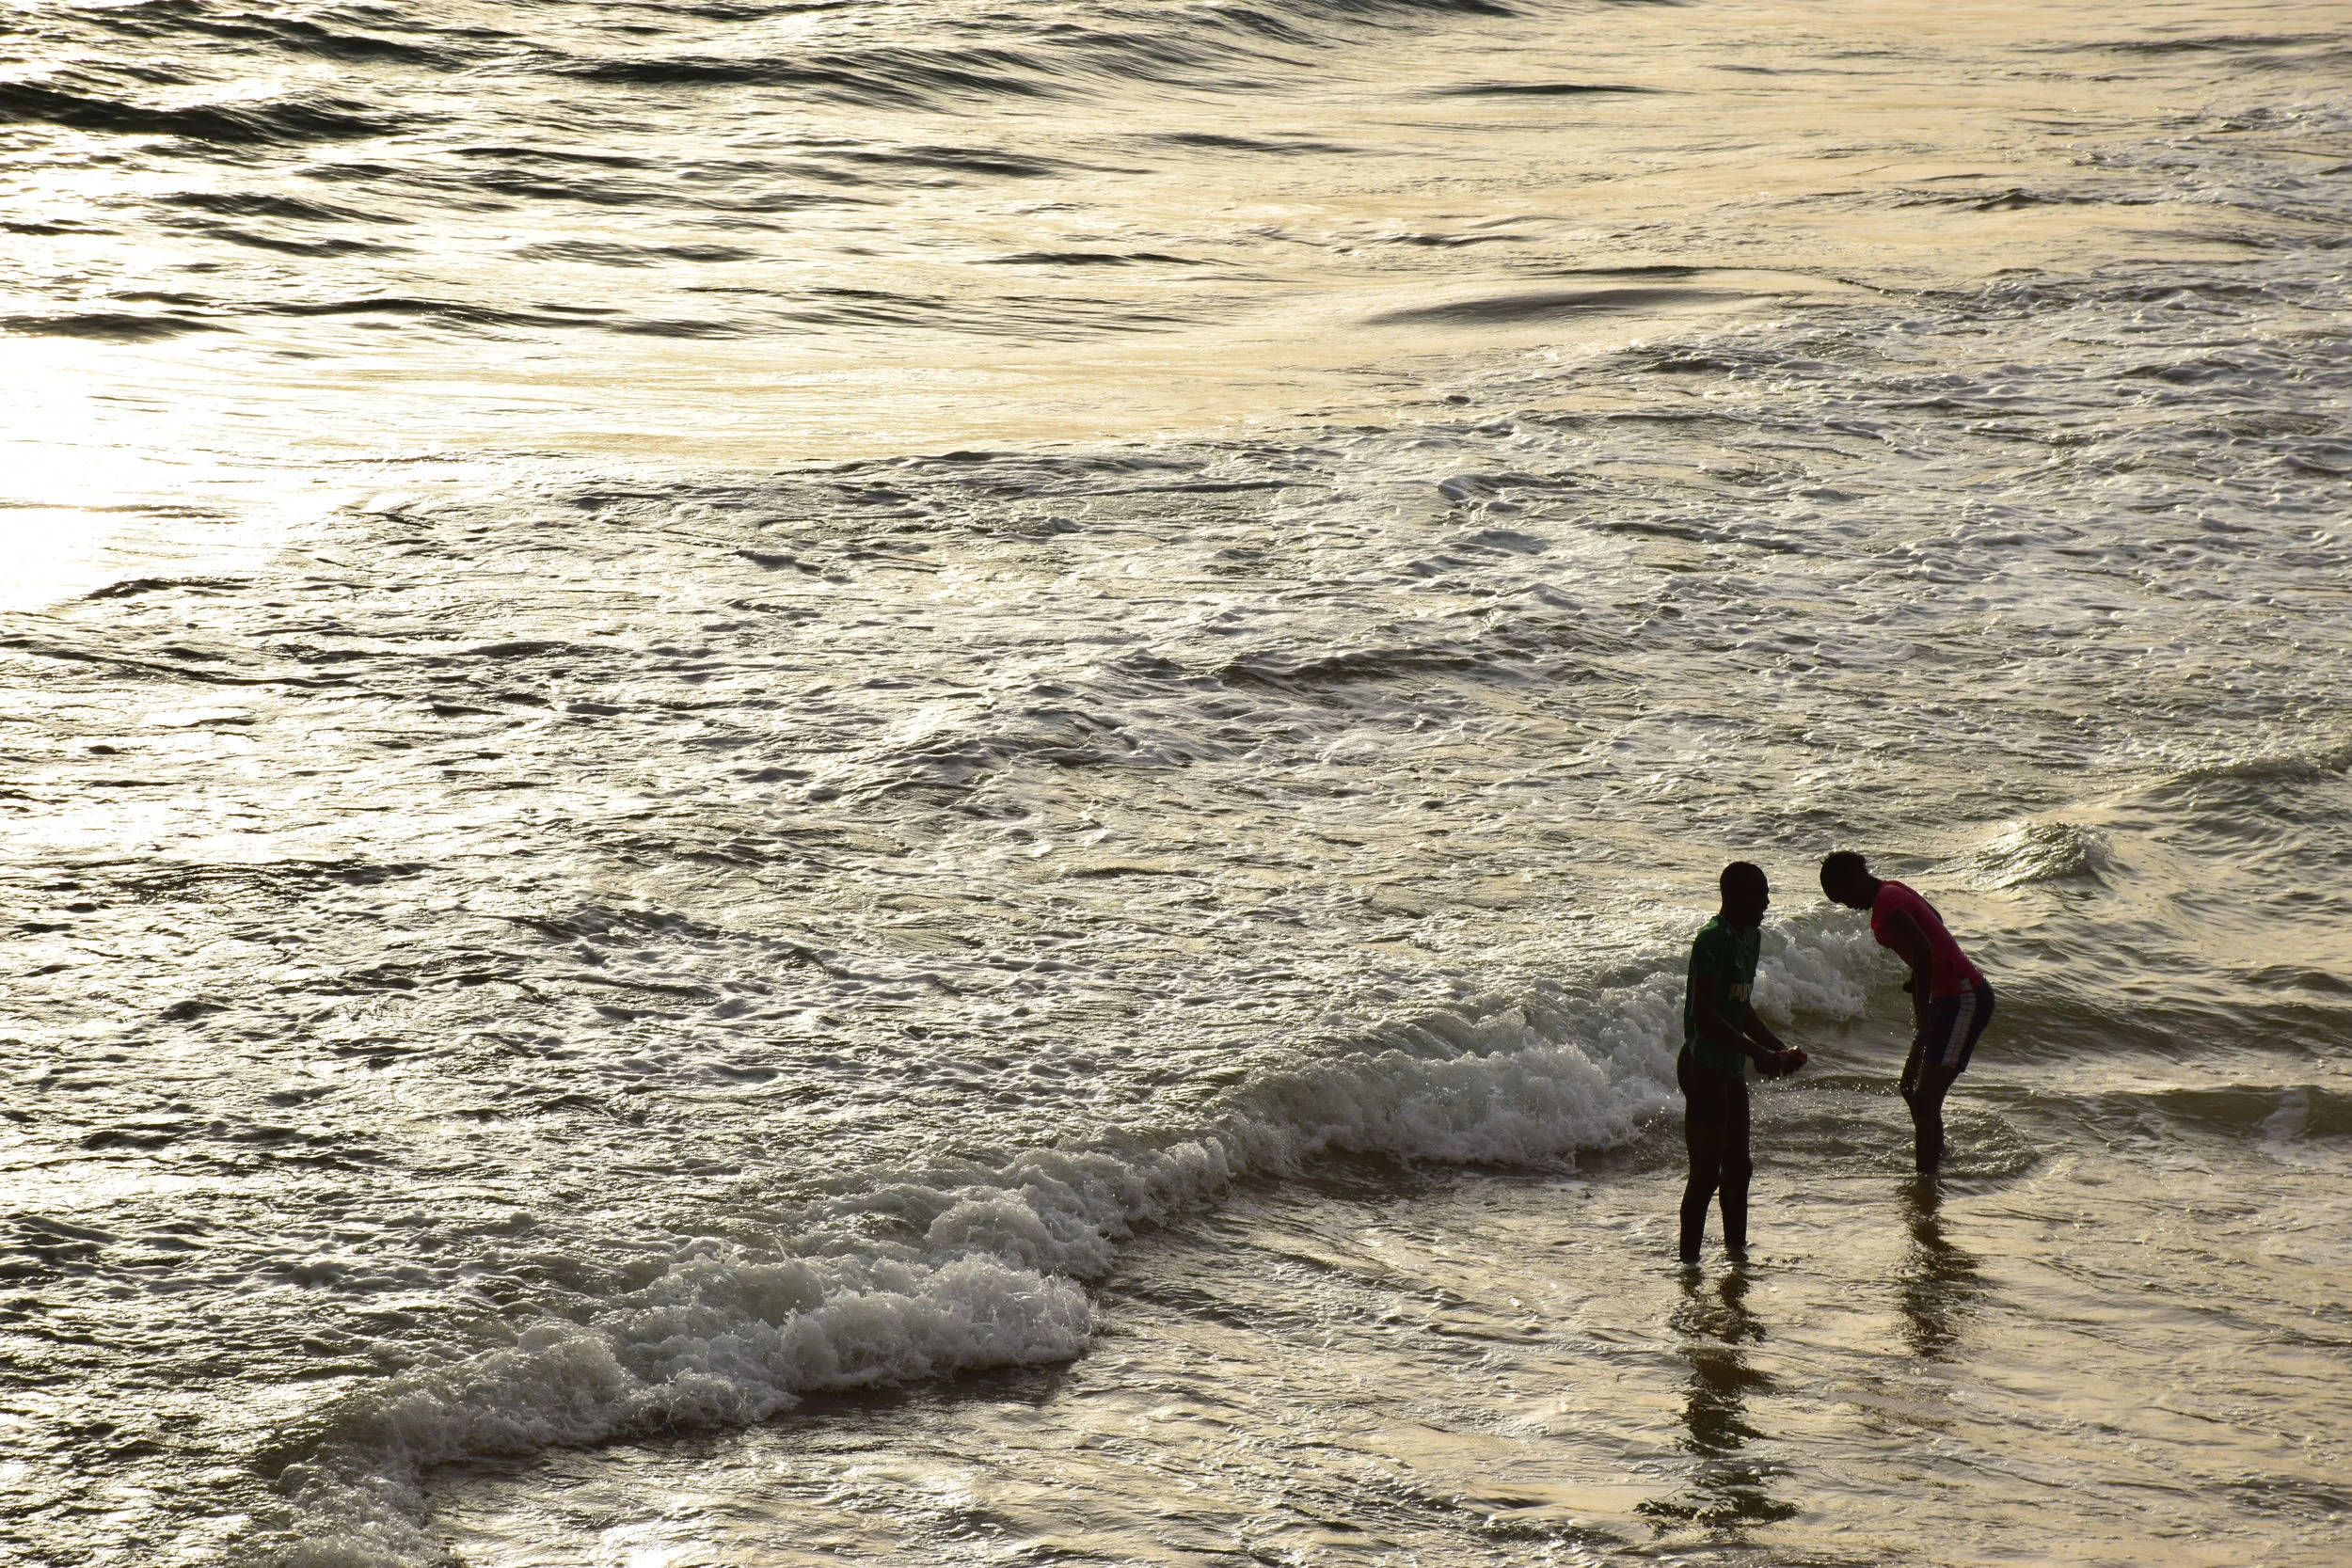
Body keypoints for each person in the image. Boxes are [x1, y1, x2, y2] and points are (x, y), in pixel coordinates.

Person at [1819, 851, 1994, 1174]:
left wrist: (1923, 1008)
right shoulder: (1894, 890)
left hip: (1963, 996)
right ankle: (1937, 1157)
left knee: (1925, 1099)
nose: (1847, 906)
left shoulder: (1887, 901)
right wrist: (1920, 980)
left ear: (1854, 881)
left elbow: (1924, 949)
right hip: (1946, 996)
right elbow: (1934, 922)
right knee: (1910, 1087)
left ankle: (1927, 1181)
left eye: (1843, 897)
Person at [1677, 862, 1805, 1265]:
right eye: (1758, 895)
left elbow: (1742, 1006)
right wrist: (1758, 1054)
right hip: (1704, 1068)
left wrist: (1779, 1049)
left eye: (1766, 893)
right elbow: (1705, 1015)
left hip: (1730, 1067)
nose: (1766, 902)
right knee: (1705, 1177)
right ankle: (1689, 1267)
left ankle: (1736, 1257)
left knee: (1739, 1169)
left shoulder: (1750, 937)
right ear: (1732, 897)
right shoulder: (1712, 941)